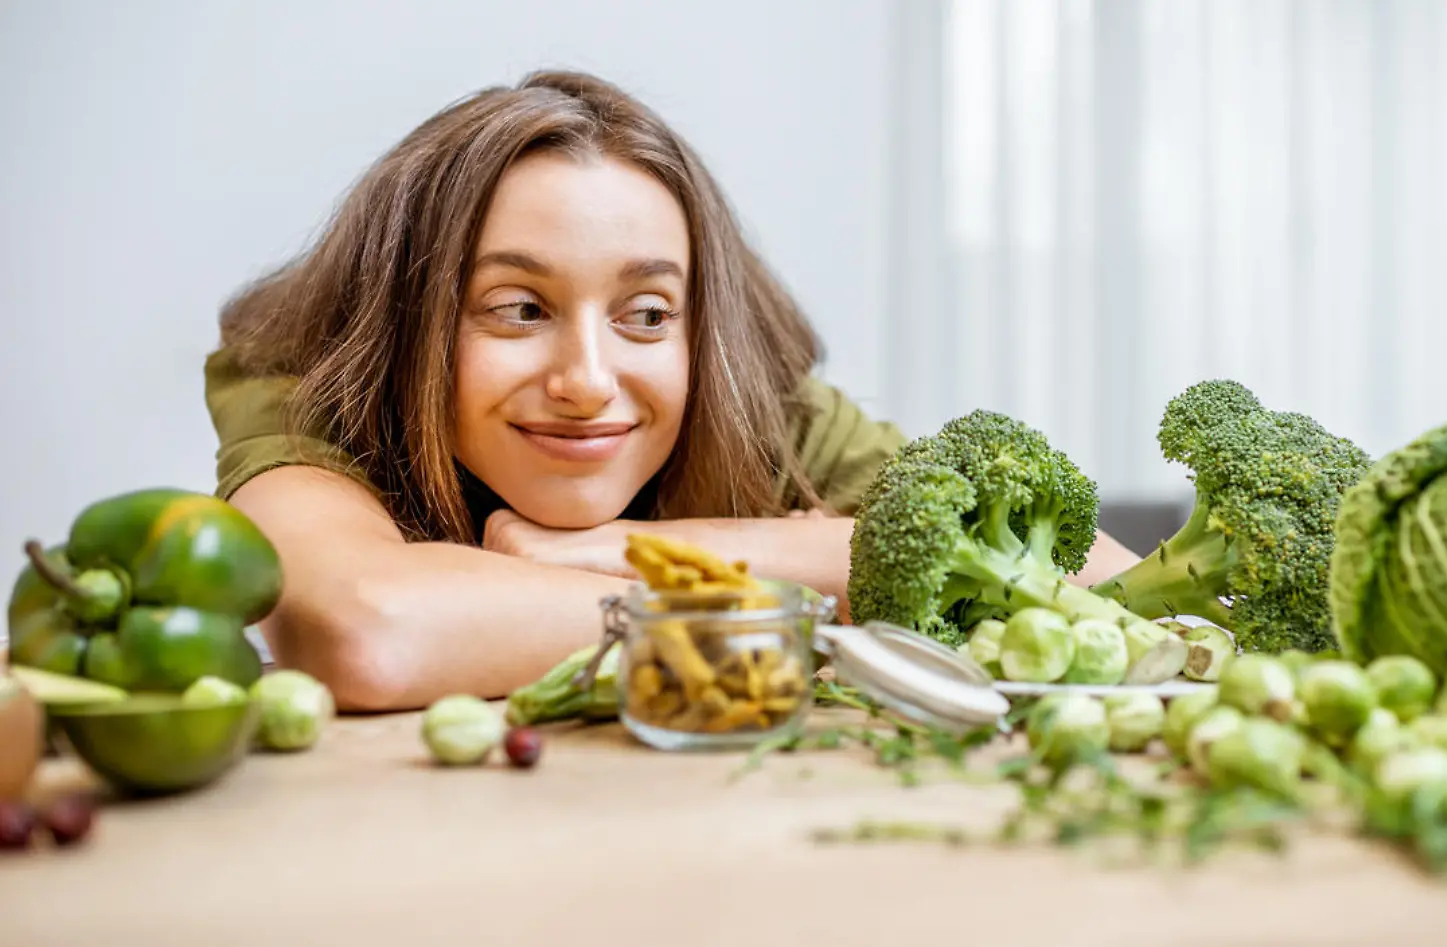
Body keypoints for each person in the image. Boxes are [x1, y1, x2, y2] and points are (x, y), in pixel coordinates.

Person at [205, 70, 1139, 712]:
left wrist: (631, 550)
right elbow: (367, 629)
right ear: (409, 315)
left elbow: (1102, 580)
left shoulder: (757, 407)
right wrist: (794, 591)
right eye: (518, 308)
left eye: (647, 314)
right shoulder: (305, 380)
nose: (587, 382)